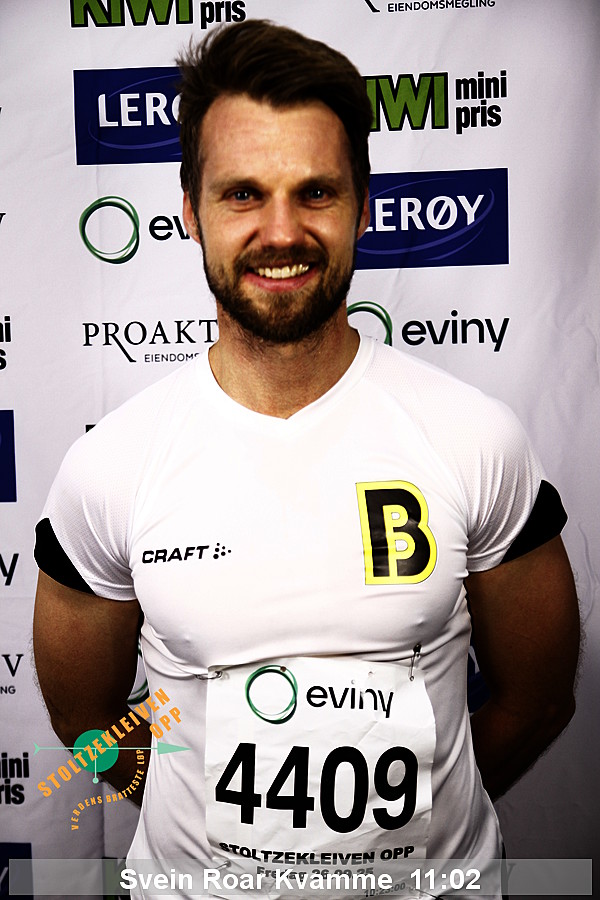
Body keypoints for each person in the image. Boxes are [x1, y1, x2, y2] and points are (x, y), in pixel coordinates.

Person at [33, 19, 579, 899]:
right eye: (243, 194)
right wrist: (189, 812)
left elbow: (540, 698)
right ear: (191, 212)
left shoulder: (475, 438)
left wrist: (416, 830)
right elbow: (85, 721)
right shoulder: (111, 467)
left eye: (315, 192)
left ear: (363, 207)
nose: (281, 231)